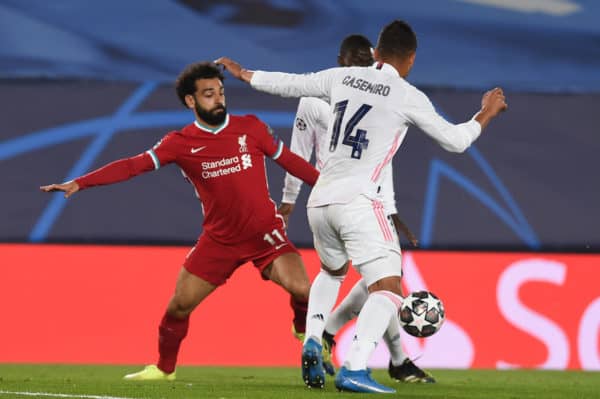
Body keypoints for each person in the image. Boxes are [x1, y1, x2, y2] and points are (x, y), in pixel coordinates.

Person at [217, 18, 507, 393]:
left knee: (332, 273)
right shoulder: (406, 95)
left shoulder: (342, 78)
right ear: (412, 59)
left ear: (375, 53)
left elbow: (292, 83)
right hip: (359, 200)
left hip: (320, 198)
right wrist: (485, 113)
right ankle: (354, 367)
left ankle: (314, 338)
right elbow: (455, 141)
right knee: (388, 288)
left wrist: (246, 74)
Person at [40, 62, 320, 381]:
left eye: (221, 93)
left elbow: (291, 162)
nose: (219, 99)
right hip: (219, 241)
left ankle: (301, 329)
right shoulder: (179, 142)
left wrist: (327, 185)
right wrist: (81, 182)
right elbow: (134, 165)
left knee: (303, 290)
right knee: (178, 307)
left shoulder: (251, 128)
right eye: (209, 94)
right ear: (191, 101)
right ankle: (163, 370)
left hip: (264, 234)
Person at [279, 34, 432, 384]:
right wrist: (288, 199)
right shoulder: (346, 97)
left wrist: (290, 200)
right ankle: (349, 342)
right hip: (357, 203)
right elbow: (299, 153)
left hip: (335, 200)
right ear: (343, 60)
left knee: (350, 276)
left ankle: (322, 337)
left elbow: (378, 160)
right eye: (360, 61)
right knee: (384, 282)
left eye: (368, 61)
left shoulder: (339, 95)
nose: (365, 66)